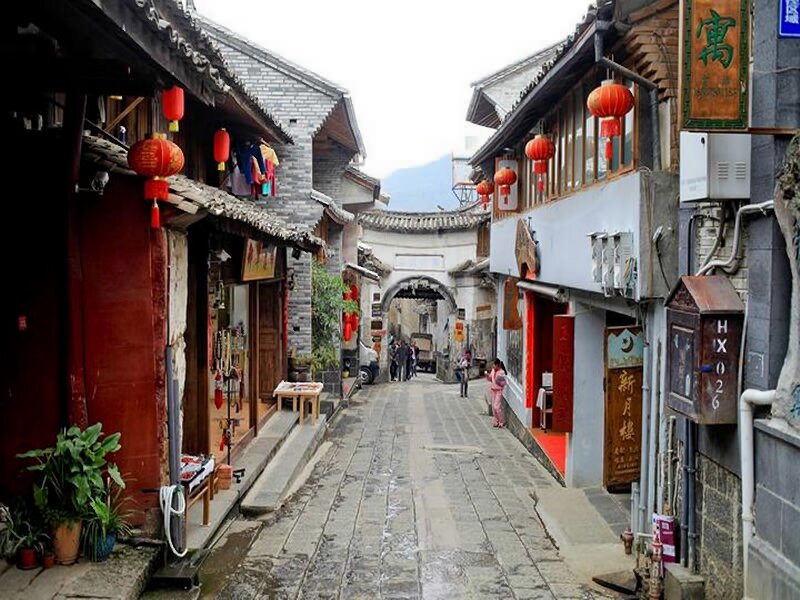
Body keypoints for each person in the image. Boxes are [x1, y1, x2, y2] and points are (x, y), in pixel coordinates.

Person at [487, 359, 508, 427]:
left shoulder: (502, 372)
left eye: (494, 365)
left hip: (499, 390)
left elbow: (504, 382)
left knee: (497, 406)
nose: (493, 366)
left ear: (497, 365)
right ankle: (496, 421)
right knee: (493, 407)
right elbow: (490, 378)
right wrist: (487, 376)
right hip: (493, 390)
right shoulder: (493, 370)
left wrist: (498, 381)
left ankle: (501, 421)